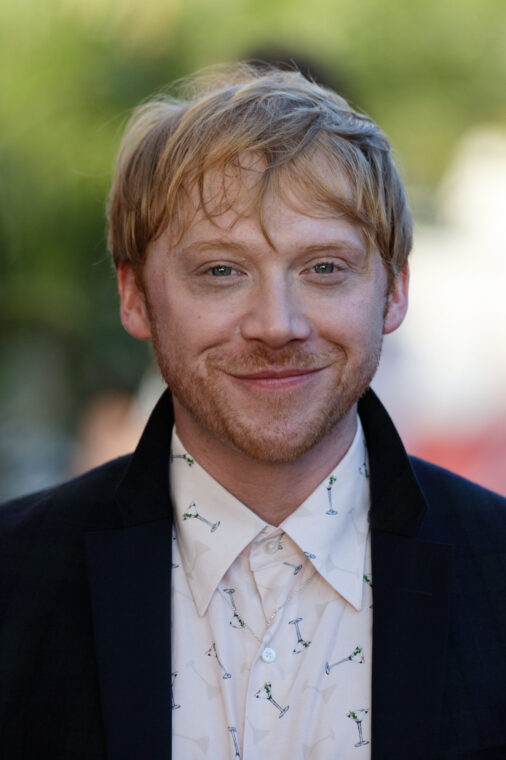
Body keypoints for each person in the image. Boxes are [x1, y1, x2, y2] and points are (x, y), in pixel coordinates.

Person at [0, 64, 504, 760]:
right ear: (135, 296)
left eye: (324, 267)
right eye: (221, 271)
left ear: (394, 291)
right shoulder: (14, 581)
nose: (277, 324)